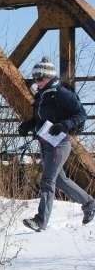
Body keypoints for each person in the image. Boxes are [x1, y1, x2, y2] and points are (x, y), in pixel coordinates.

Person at [17, 56, 95, 231]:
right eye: (35, 77)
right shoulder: (41, 95)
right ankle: (90, 203)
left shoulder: (61, 93)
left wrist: (64, 125)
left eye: (41, 77)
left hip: (59, 144)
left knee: (47, 180)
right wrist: (29, 124)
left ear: (50, 77)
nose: (37, 81)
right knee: (60, 181)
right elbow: (41, 118)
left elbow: (81, 114)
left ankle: (40, 221)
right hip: (45, 142)